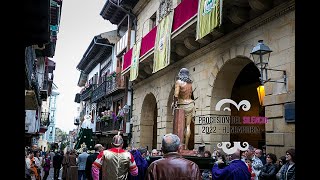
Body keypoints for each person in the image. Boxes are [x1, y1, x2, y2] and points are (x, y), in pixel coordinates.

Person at [173, 68, 195, 150]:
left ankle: (179, 146)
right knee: (188, 126)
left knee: (179, 126)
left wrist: (175, 103)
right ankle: (186, 146)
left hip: (181, 105)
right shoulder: (190, 83)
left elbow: (176, 95)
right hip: (190, 104)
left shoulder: (178, 82)